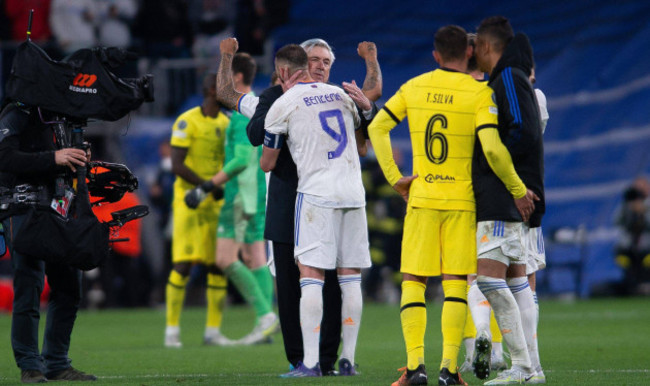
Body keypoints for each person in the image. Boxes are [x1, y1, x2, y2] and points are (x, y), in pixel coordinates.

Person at [370, 24, 530, 386]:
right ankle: (448, 369)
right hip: (462, 202)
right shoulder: (479, 93)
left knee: (413, 281)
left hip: (421, 198)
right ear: (469, 53)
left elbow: (378, 127)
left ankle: (414, 369)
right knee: (455, 284)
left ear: (436, 55)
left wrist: (396, 177)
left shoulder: (413, 87)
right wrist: (518, 188)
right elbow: (491, 148)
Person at [216, 37, 381, 375]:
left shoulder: (327, 96)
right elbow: (232, 100)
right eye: (314, 59)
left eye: (326, 61)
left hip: (314, 197)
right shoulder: (276, 98)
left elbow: (366, 111)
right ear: (297, 65)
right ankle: (302, 357)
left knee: (327, 280)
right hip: (288, 201)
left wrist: (369, 63)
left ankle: (322, 359)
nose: (320, 66)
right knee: (294, 284)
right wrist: (229, 59)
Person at [260, 43, 371, 377]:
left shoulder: (284, 103)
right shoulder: (341, 95)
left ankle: (309, 363)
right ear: (309, 66)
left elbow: (267, 161)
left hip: (317, 195)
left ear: (285, 71)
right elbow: (361, 142)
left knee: (312, 277)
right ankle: (347, 360)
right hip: (353, 193)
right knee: (350, 278)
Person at [184, 52, 278, 345]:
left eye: (225, 78)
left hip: (239, 193)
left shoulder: (240, 114)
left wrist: (205, 187)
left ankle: (266, 316)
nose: (221, 84)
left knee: (225, 259)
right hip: (258, 192)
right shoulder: (258, 108)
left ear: (236, 78)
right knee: (256, 258)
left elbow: (238, 160)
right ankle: (267, 323)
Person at [0, 101, 96, 382]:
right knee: (29, 284)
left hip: (60, 207)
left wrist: (79, 157)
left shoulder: (62, 115)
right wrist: (53, 158)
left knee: (68, 287)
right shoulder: (17, 112)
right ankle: (30, 365)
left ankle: (56, 362)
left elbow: (62, 159)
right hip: (23, 208)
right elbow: (3, 157)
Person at [471, 16, 545, 385]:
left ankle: (521, 366)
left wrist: (507, 178)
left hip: (505, 196)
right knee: (518, 281)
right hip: (512, 194)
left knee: (487, 280)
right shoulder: (513, 77)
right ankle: (534, 368)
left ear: (485, 47)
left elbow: (523, 132)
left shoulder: (507, 78)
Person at [164, 73, 231, 348]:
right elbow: (176, 165)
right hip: (188, 200)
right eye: (222, 86)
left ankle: (213, 331)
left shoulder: (228, 124)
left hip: (216, 201)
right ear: (210, 89)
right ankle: (172, 330)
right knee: (184, 263)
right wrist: (206, 186)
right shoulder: (186, 120)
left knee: (218, 264)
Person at [615, 176, 650, 295]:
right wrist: (629, 210)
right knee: (625, 262)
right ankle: (631, 288)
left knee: (646, 262)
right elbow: (617, 221)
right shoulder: (626, 206)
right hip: (629, 248)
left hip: (647, 248)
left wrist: (644, 212)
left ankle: (645, 286)